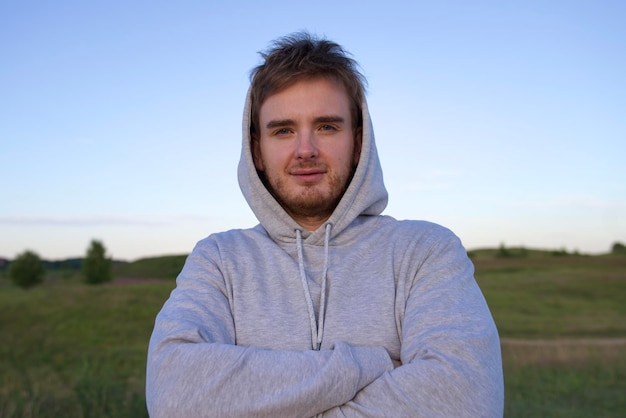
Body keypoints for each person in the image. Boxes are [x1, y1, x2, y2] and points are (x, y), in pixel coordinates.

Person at [146, 32, 504, 417]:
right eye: (283, 130)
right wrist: (371, 364)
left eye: (327, 127)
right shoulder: (218, 260)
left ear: (358, 141)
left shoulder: (424, 251)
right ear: (256, 151)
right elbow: (174, 396)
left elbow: (465, 402)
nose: (305, 150)